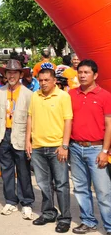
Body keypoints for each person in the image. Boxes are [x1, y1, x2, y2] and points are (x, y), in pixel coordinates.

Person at [26, 67, 73, 233]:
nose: (43, 83)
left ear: (54, 81)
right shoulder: (35, 96)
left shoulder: (63, 96)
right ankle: (48, 213)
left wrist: (64, 145)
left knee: (61, 184)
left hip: (57, 147)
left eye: (47, 80)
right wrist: (28, 141)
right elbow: (30, 118)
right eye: (41, 80)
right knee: (43, 184)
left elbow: (68, 121)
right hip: (38, 147)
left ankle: (65, 217)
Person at [67, 59, 111, 235]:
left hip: (96, 149)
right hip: (76, 147)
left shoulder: (105, 96)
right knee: (80, 188)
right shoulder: (71, 94)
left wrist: (105, 151)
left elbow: (109, 125)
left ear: (95, 75)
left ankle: (109, 226)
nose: (83, 75)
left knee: (103, 190)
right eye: (80, 72)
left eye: (87, 72)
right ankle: (88, 221)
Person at [0, 60, 35, 220]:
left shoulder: (28, 94)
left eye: (15, 72)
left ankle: (27, 202)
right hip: (3, 134)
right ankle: (11, 200)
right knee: (6, 170)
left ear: (20, 74)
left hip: (20, 134)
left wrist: (29, 140)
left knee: (24, 170)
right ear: (5, 74)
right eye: (8, 72)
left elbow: (32, 119)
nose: (11, 75)